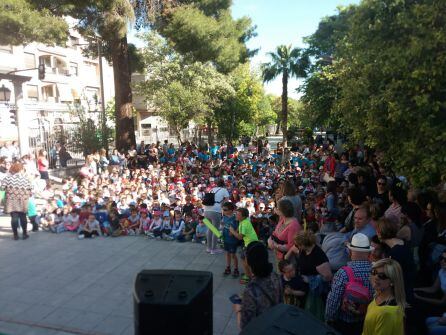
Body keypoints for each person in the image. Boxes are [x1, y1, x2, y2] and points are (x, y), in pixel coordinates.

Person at [325, 233, 374, 335]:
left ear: (350, 252)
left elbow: (333, 301)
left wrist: (329, 319)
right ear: (369, 253)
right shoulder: (376, 272)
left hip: (345, 322)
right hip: (366, 320)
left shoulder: (343, 273)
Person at [232, 241, 283, 330]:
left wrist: (238, 310)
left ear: (248, 261)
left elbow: (245, 327)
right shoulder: (275, 276)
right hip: (275, 325)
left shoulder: (251, 290)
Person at [362, 258, 407, 335]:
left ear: (392, 281)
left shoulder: (386, 313)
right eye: (374, 272)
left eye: (382, 276)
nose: (376, 277)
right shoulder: (378, 296)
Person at [0, 162, 33, 240]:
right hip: (23, 201)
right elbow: (31, 189)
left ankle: (15, 235)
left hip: (11, 201)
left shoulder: (8, 178)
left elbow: (2, 188)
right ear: (20, 169)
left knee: (14, 218)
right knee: (23, 217)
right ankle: (24, 234)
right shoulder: (25, 178)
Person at [229, 207, 259, 285]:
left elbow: (239, 237)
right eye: (236, 214)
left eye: (238, 214)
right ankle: (248, 274)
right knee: (243, 259)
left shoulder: (244, 224)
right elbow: (238, 230)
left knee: (246, 262)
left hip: (251, 245)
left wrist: (232, 231)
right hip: (249, 244)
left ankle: (249, 277)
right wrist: (233, 232)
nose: (236, 215)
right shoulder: (243, 221)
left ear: (243, 216)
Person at [203, 178, 229, 254]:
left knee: (209, 229)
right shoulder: (224, 190)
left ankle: (208, 248)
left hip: (206, 210)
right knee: (215, 230)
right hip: (215, 210)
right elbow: (227, 200)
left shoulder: (212, 189)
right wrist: (222, 203)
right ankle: (213, 249)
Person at [221, 202, 239, 278]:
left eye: (225, 209)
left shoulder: (235, 218)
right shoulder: (224, 217)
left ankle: (236, 269)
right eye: (223, 209)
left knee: (233, 255)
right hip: (226, 238)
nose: (223, 211)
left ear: (231, 210)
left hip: (232, 240)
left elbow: (239, 227)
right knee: (227, 253)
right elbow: (223, 225)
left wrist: (235, 232)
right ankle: (228, 267)